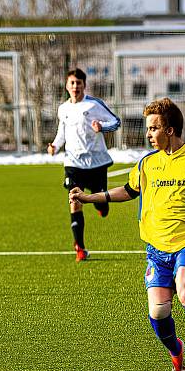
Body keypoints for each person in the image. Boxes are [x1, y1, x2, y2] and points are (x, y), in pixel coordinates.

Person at [70, 97, 185, 371]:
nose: (148, 134)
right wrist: (90, 198)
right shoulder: (147, 164)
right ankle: (177, 353)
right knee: (158, 310)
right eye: (148, 128)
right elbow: (128, 190)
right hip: (156, 249)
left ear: (171, 130)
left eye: (154, 128)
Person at [48, 68, 121, 262]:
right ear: (67, 85)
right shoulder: (63, 108)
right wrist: (55, 146)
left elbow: (116, 121)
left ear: (84, 85)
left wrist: (102, 127)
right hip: (73, 163)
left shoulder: (94, 104)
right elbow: (61, 133)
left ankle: (101, 205)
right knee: (75, 201)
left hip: (96, 162)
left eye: (78, 83)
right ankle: (80, 248)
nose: (75, 86)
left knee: (100, 201)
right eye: (72, 83)